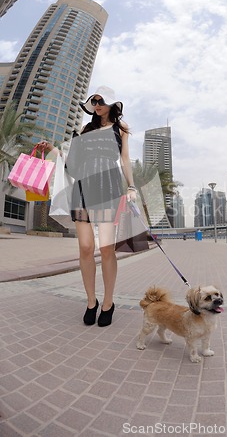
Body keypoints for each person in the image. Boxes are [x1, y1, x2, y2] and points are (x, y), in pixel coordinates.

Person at [37, 87, 136, 327]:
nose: (97, 105)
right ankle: (91, 301)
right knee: (84, 246)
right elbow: (74, 162)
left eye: (101, 101)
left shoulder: (120, 130)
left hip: (108, 189)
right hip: (83, 189)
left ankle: (108, 303)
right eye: (94, 101)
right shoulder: (86, 130)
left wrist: (131, 187)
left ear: (112, 103)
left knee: (106, 249)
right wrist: (53, 150)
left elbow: (124, 159)